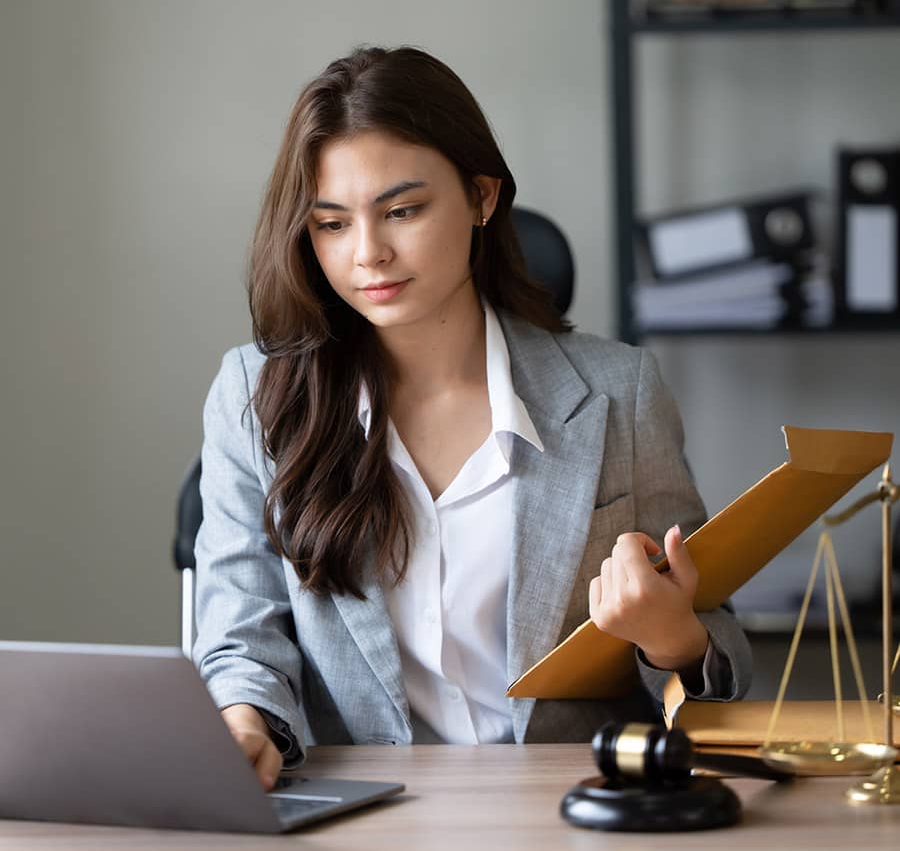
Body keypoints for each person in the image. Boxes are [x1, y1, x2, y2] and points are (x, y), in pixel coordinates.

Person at [193, 45, 752, 790]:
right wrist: (240, 723)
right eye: (331, 224)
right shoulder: (253, 396)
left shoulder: (621, 392)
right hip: (359, 814)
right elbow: (240, 638)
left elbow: (726, 659)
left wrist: (673, 642)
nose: (369, 254)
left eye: (403, 211)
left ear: (482, 196)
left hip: (566, 809)